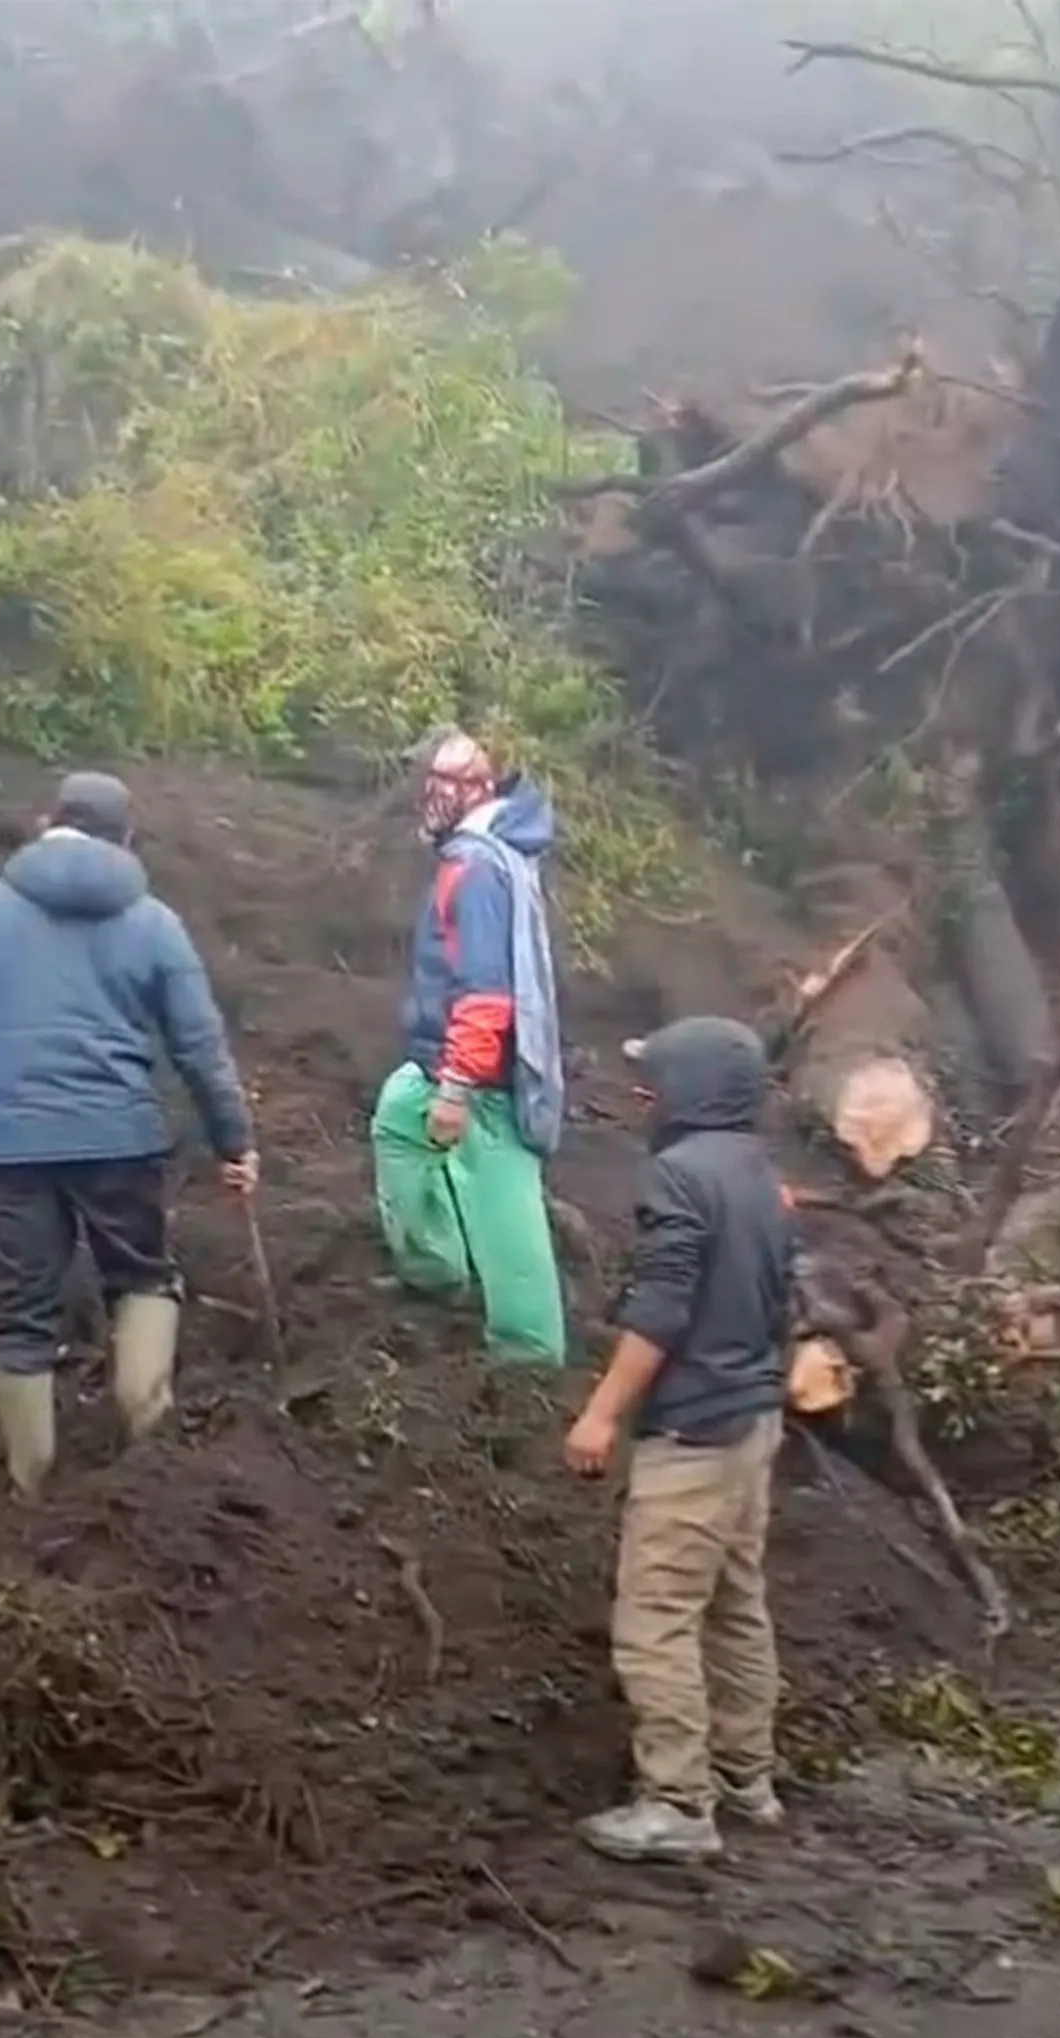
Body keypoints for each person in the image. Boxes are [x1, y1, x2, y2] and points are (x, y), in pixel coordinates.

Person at [0, 770, 257, 1496]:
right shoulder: (153, 921)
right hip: (120, 1137)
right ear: (125, 837)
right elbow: (198, 1045)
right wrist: (234, 1143)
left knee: (19, 1311)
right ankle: (147, 1434)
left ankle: (31, 1483)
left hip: (8, 1144)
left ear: (50, 821)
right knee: (140, 1275)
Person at [564, 1016, 794, 1864]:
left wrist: (600, 1414)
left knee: (656, 1616)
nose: (641, 1094)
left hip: (694, 1431)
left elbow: (660, 1309)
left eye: (654, 1079)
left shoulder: (679, 1176)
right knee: (736, 1604)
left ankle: (677, 1803)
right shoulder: (761, 1175)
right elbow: (782, 1304)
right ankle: (745, 1777)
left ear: (694, 1090)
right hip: (753, 1422)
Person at [370, 727, 565, 1364]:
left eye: (431, 784)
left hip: (483, 1076)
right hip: (438, 1059)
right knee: (398, 1124)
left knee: (505, 1209)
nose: (421, 797)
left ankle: (530, 1358)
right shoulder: (485, 850)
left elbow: (486, 993)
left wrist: (457, 1087)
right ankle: (435, 1274)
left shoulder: (477, 868)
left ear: (465, 789)